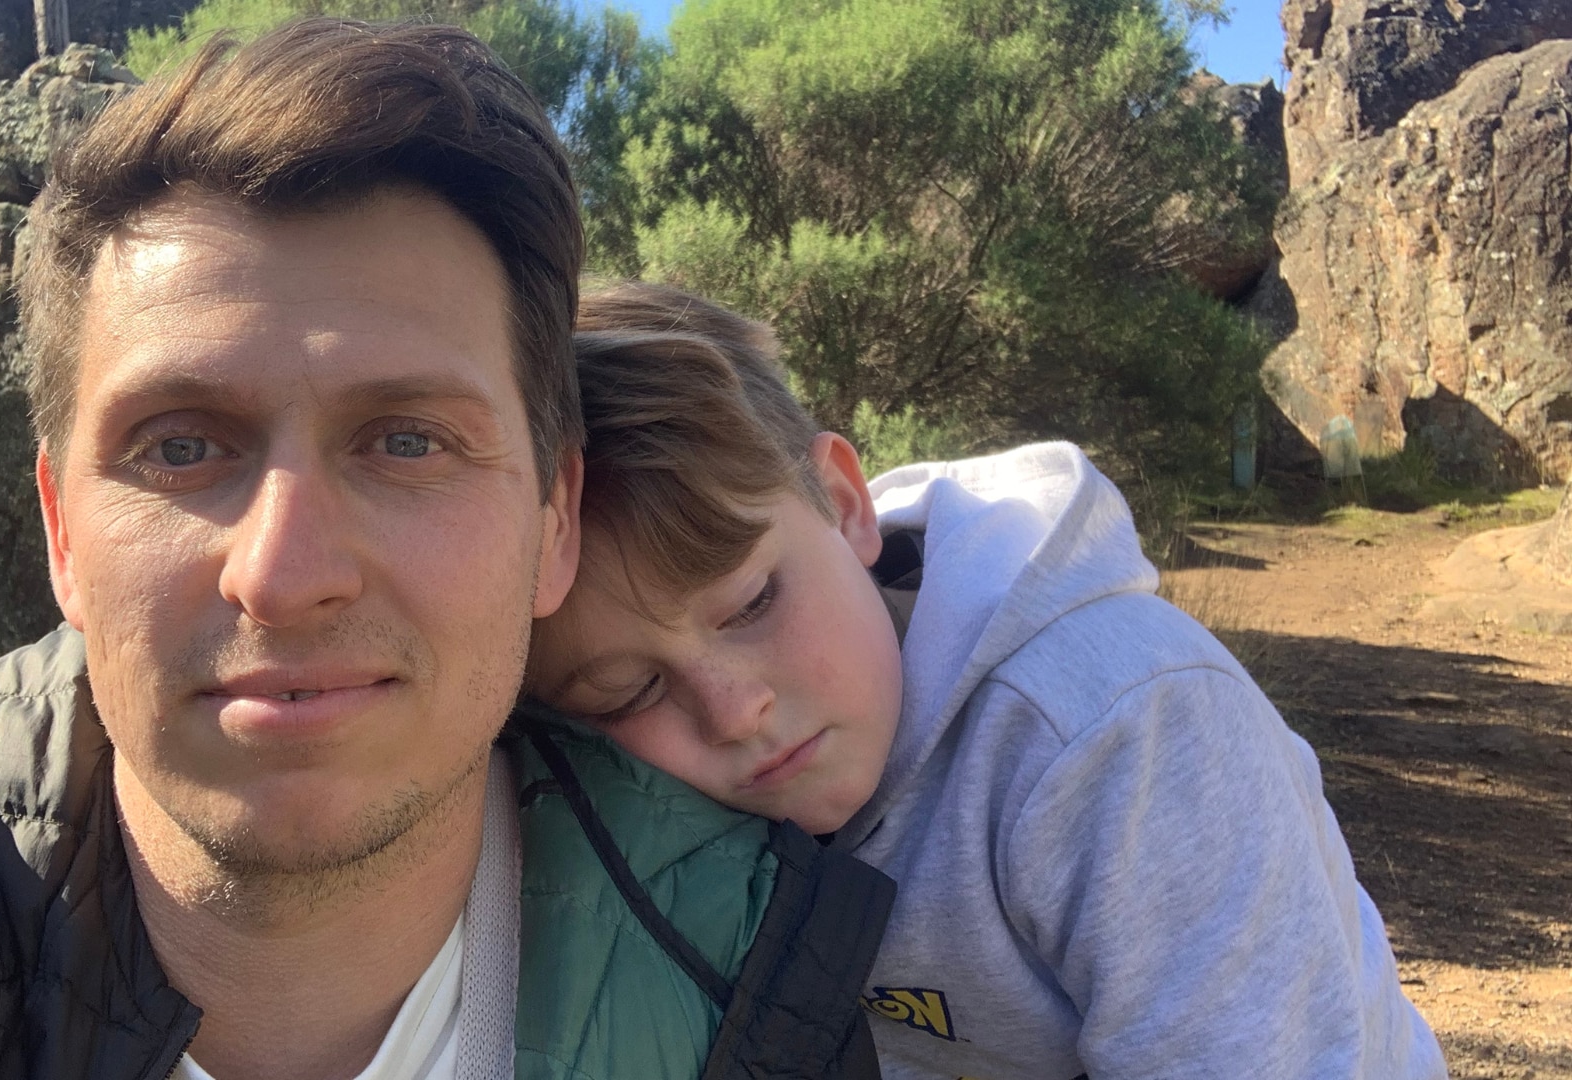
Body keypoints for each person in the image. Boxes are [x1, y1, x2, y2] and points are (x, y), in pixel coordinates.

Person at [0, 24, 894, 1080]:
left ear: (555, 521)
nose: (284, 575)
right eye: (181, 448)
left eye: (407, 441)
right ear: (62, 531)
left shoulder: (755, 969)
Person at [526, 281, 1450, 1080]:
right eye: (629, 693)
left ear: (844, 506)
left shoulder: (1120, 729)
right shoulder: (607, 800)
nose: (734, 713)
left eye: (753, 603)